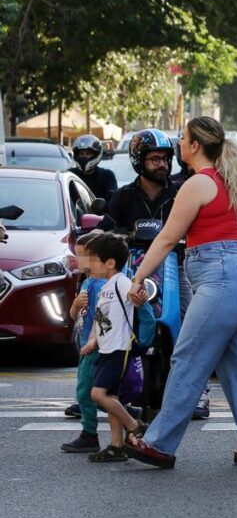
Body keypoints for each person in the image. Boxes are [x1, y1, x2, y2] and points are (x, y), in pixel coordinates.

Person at [124, 116, 237, 469]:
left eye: (182, 138)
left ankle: (158, 444)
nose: (178, 144)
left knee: (187, 357)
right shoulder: (228, 178)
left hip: (223, 278)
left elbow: (167, 238)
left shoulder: (198, 183)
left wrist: (137, 278)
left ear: (195, 145)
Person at [98, 129, 210, 420]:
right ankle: (100, 387)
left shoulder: (183, 191)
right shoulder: (122, 196)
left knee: (192, 320)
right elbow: (107, 227)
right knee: (108, 315)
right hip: (133, 267)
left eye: (166, 158)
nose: (162, 164)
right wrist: (106, 232)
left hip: (178, 264)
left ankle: (200, 390)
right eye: (155, 159)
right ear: (139, 161)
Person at [82, 232, 147, 463]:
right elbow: (101, 321)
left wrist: (140, 295)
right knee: (111, 396)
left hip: (120, 349)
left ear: (110, 263)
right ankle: (117, 446)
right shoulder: (104, 288)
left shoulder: (122, 282)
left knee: (98, 394)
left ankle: (133, 424)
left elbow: (138, 295)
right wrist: (92, 343)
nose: (88, 265)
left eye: (93, 259)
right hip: (105, 349)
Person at [60, 231, 106, 454]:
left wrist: (93, 341)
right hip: (85, 347)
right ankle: (130, 419)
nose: (76, 260)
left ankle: (90, 434)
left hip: (95, 347)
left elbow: (103, 317)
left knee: (85, 392)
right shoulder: (87, 282)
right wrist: (76, 305)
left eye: (81, 255)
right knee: (97, 392)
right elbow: (72, 316)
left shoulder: (102, 285)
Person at [70, 135, 117, 202]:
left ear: (96, 154)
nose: (84, 157)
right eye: (81, 154)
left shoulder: (107, 176)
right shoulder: (69, 175)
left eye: (88, 153)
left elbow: (113, 200)